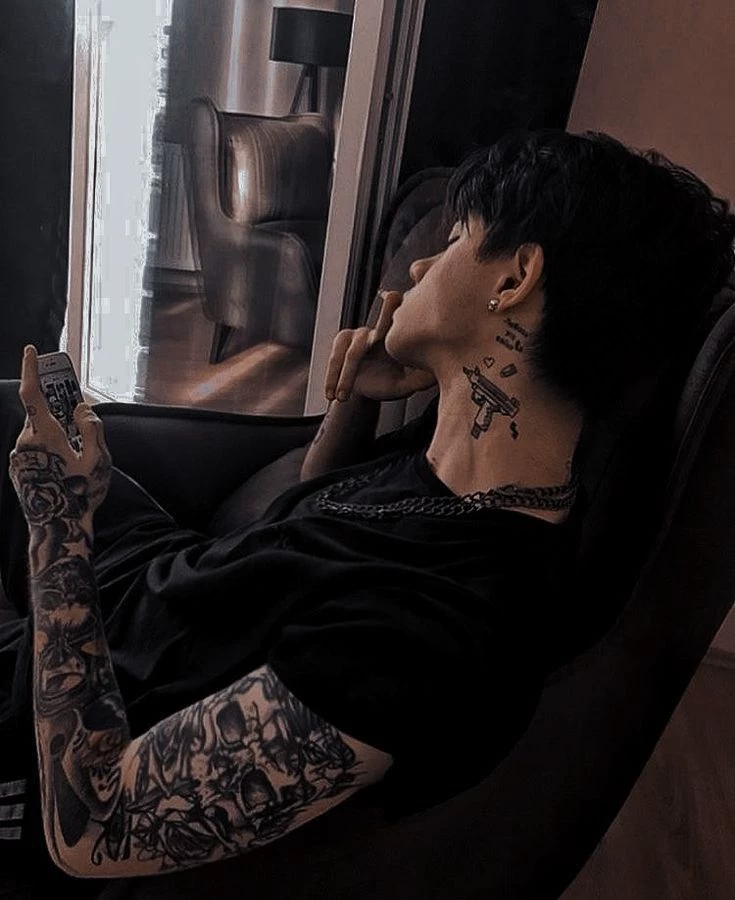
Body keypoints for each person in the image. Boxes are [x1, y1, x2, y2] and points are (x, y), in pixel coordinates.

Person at [0, 129, 733, 883]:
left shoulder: (436, 631)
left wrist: (59, 521)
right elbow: (303, 530)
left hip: (72, 708)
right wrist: (354, 402)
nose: (417, 267)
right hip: (161, 590)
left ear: (515, 277)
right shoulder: (466, 468)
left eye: (455, 239)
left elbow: (94, 827)